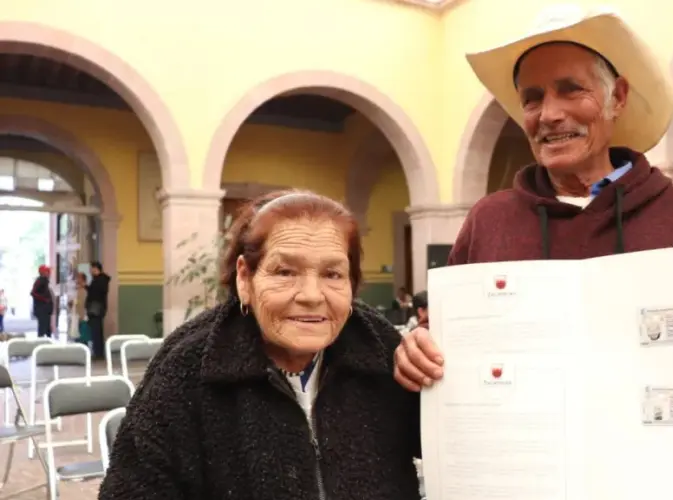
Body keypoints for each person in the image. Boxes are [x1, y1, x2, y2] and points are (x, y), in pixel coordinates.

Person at [394, 5, 673, 430]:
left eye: (570, 89)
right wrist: (413, 354)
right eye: (533, 98)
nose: (549, 114)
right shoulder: (489, 221)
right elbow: (444, 342)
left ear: (617, 97)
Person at [99, 190, 421, 500]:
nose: (311, 295)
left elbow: (453, 448)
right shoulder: (188, 368)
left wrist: (443, 373)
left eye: (332, 274)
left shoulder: (381, 350)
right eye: (284, 271)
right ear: (245, 278)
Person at [85, 261, 110, 359]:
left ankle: (98, 353)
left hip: (96, 308)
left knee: (96, 331)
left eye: (91, 268)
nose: (90, 271)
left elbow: (96, 292)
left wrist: (88, 287)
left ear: (96, 269)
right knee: (96, 330)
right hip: (96, 308)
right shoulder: (97, 280)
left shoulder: (101, 280)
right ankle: (98, 352)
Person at [30, 265, 53, 338]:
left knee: (47, 329)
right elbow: (33, 293)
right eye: (47, 271)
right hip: (42, 310)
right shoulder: (40, 281)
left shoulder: (45, 281)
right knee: (42, 330)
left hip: (45, 310)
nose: (49, 273)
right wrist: (44, 299)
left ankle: (47, 343)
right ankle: (42, 344)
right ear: (42, 272)